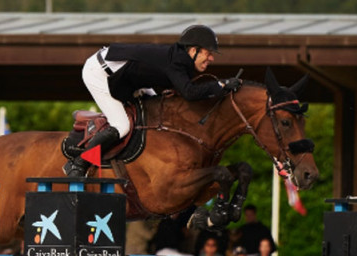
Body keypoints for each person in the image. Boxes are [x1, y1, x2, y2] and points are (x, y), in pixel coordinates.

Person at [62, 25, 241, 177]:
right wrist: (221, 85)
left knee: (154, 107)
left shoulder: (182, 60)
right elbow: (190, 93)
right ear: (193, 51)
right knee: (121, 126)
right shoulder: (177, 61)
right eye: (208, 53)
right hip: (100, 73)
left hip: (126, 77)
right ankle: (79, 164)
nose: (212, 58)